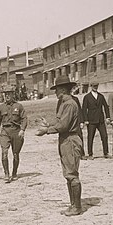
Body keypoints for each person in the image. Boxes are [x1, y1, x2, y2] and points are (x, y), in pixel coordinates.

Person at [35, 75, 84, 216]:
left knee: (72, 174)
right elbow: (59, 121)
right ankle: (73, 204)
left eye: (57, 90)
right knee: (68, 174)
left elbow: (63, 125)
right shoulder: (63, 103)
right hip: (65, 140)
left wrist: (46, 131)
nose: (55, 93)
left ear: (63, 90)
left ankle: (77, 207)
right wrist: (48, 123)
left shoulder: (69, 104)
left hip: (70, 140)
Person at [0, 89, 28, 182]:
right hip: (5, 132)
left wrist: (22, 130)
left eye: (9, 94)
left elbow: (24, 119)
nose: (7, 96)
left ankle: (14, 173)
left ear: (13, 95)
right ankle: (6, 174)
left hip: (16, 131)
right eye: (5, 94)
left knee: (16, 154)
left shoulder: (19, 106)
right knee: (4, 153)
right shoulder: (1, 107)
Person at [81, 82, 110, 159]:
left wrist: (107, 117)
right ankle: (90, 154)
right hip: (91, 120)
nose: (95, 87)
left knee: (104, 136)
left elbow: (106, 107)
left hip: (100, 120)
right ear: (91, 87)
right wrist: (85, 120)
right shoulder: (87, 97)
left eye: (96, 86)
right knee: (90, 137)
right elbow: (84, 109)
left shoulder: (101, 96)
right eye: (94, 86)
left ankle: (106, 153)